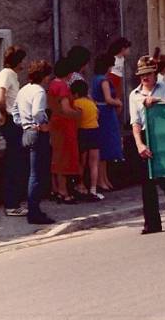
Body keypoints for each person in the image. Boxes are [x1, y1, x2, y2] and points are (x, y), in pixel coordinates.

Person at [130, 55, 165, 234]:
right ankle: (152, 224)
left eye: (148, 74)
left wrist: (158, 102)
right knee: (147, 182)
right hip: (146, 136)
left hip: (162, 135)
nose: (145, 78)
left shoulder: (164, 87)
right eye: (141, 75)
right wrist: (139, 144)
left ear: (155, 73)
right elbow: (135, 123)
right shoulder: (135, 95)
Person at [16, 60, 55, 226]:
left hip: (27, 132)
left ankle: (34, 210)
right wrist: (42, 124)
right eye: (47, 75)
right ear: (43, 75)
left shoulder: (23, 90)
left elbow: (14, 112)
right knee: (37, 175)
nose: (48, 79)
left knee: (32, 173)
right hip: (38, 133)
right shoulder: (39, 91)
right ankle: (34, 212)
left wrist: (24, 124)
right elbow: (38, 112)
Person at [0, 46, 29, 216]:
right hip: (11, 121)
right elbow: (1, 98)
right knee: (14, 163)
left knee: (17, 163)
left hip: (14, 121)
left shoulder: (11, 75)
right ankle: (11, 205)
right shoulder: (6, 74)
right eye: (22, 59)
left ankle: (15, 202)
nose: (24, 62)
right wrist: (3, 114)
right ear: (17, 60)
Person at [48, 57, 83, 204]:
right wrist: (78, 113)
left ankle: (56, 189)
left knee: (57, 157)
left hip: (55, 123)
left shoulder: (52, 84)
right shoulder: (62, 86)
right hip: (64, 125)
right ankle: (64, 191)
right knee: (64, 158)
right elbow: (66, 108)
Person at [91, 53, 124, 192]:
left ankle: (103, 179)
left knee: (102, 149)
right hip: (106, 113)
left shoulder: (95, 79)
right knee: (105, 147)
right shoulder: (104, 80)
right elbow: (109, 99)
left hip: (100, 112)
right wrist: (119, 102)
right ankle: (101, 180)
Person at [70, 79, 103, 201]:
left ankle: (80, 185)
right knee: (94, 163)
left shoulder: (76, 103)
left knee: (81, 162)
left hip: (82, 132)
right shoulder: (91, 103)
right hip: (94, 130)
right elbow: (97, 115)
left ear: (76, 93)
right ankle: (93, 189)